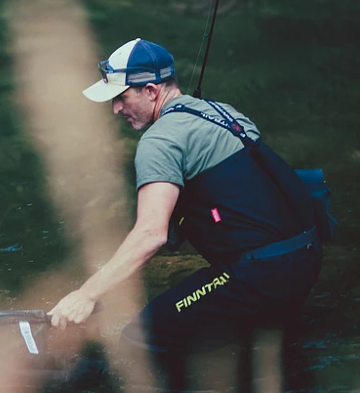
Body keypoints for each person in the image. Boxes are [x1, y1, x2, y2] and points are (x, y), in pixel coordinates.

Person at [47, 38, 323, 389]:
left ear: (150, 91)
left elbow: (152, 235)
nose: (116, 109)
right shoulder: (225, 113)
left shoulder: (159, 141)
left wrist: (86, 295)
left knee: (140, 339)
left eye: (121, 97)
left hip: (259, 273)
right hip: (307, 256)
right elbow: (239, 201)